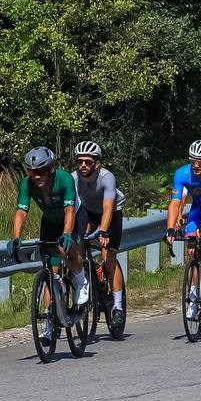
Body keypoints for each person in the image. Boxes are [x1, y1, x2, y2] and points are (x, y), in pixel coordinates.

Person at [12, 147, 79, 342]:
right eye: (32, 172)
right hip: (49, 221)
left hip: (73, 216)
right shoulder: (26, 184)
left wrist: (67, 234)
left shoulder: (64, 179)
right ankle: (49, 323)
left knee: (68, 250)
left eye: (41, 171)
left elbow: (69, 211)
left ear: (51, 168)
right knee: (50, 271)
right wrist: (16, 237)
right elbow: (21, 211)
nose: (37, 176)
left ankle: (81, 280)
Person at [72, 140, 126, 328]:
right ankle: (90, 280)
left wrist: (102, 230)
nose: (83, 165)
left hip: (110, 212)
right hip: (87, 212)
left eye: (88, 161)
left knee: (108, 256)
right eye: (79, 161)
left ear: (98, 163)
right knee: (77, 248)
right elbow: (71, 208)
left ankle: (117, 306)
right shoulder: (73, 179)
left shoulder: (107, 177)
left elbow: (108, 207)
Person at [166, 139, 201, 245]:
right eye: (193, 161)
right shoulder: (182, 174)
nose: (196, 165)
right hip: (197, 208)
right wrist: (170, 229)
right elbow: (175, 203)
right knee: (192, 248)